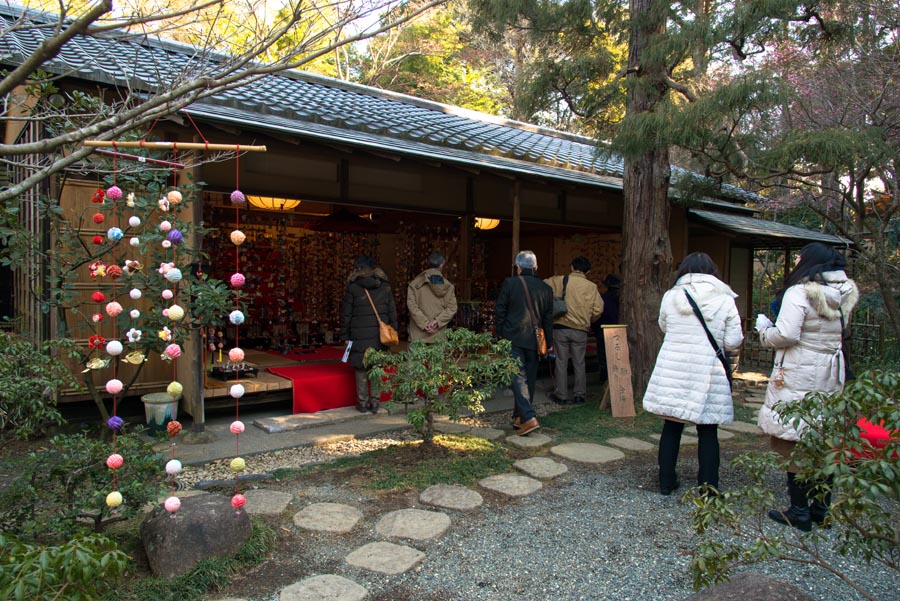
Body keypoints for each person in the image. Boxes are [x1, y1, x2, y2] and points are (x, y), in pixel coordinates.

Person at [756, 242, 858, 531]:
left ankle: (799, 510)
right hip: (830, 372)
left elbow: (787, 334)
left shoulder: (799, 292)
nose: (797, 259)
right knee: (823, 437)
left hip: (799, 371)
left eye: (801, 256)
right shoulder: (843, 294)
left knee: (794, 438)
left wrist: (765, 331)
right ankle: (821, 509)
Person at [643, 253, 744, 495]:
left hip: (674, 367)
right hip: (708, 369)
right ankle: (708, 487)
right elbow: (733, 341)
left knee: (672, 424)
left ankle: (666, 482)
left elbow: (664, 326)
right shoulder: (725, 299)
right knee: (708, 429)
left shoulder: (672, 296)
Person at [495, 250, 553, 436]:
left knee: (518, 378)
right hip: (536, 339)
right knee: (529, 377)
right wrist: (548, 342)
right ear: (536, 266)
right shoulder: (546, 288)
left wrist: (501, 334)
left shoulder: (510, 283)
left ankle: (528, 417)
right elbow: (548, 319)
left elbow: (500, 310)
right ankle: (519, 417)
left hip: (513, 336)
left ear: (518, 267)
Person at [340, 255, 398, 414]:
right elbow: (392, 312)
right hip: (379, 335)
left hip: (358, 334)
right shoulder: (385, 287)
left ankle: (362, 403)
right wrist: (394, 330)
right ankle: (375, 403)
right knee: (377, 367)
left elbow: (346, 314)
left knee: (361, 369)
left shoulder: (353, 287)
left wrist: (345, 336)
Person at [544, 257, 604, 404]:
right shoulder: (591, 287)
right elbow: (598, 309)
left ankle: (561, 395)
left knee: (561, 362)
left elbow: (542, 285)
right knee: (579, 362)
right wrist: (588, 319)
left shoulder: (559, 280)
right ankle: (579, 395)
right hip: (580, 330)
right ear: (588, 271)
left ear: (571, 267)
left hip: (560, 327)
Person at [407, 251, 458, 342]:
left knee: (415, 357)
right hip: (438, 336)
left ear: (428, 263)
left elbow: (412, 306)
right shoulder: (448, 286)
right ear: (441, 265)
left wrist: (425, 324)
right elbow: (452, 308)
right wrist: (437, 322)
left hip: (417, 336)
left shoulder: (414, 284)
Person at [591, 274, 622, 384]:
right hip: (620, 333)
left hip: (603, 332)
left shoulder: (603, 298)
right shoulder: (624, 300)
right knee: (619, 358)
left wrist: (595, 330)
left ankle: (604, 380)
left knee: (604, 359)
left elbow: (597, 315)